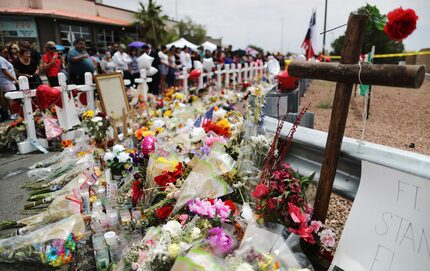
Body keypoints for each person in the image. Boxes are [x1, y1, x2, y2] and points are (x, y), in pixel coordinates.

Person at [0, 45, 18, 120]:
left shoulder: (2, 59)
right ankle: (13, 113)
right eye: (5, 51)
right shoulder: (1, 59)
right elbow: (4, 70)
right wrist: (15, 80)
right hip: (7, 81)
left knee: (7, 98)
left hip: (5, 81)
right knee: (11, 97)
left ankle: (11, 113)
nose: (7, 53)